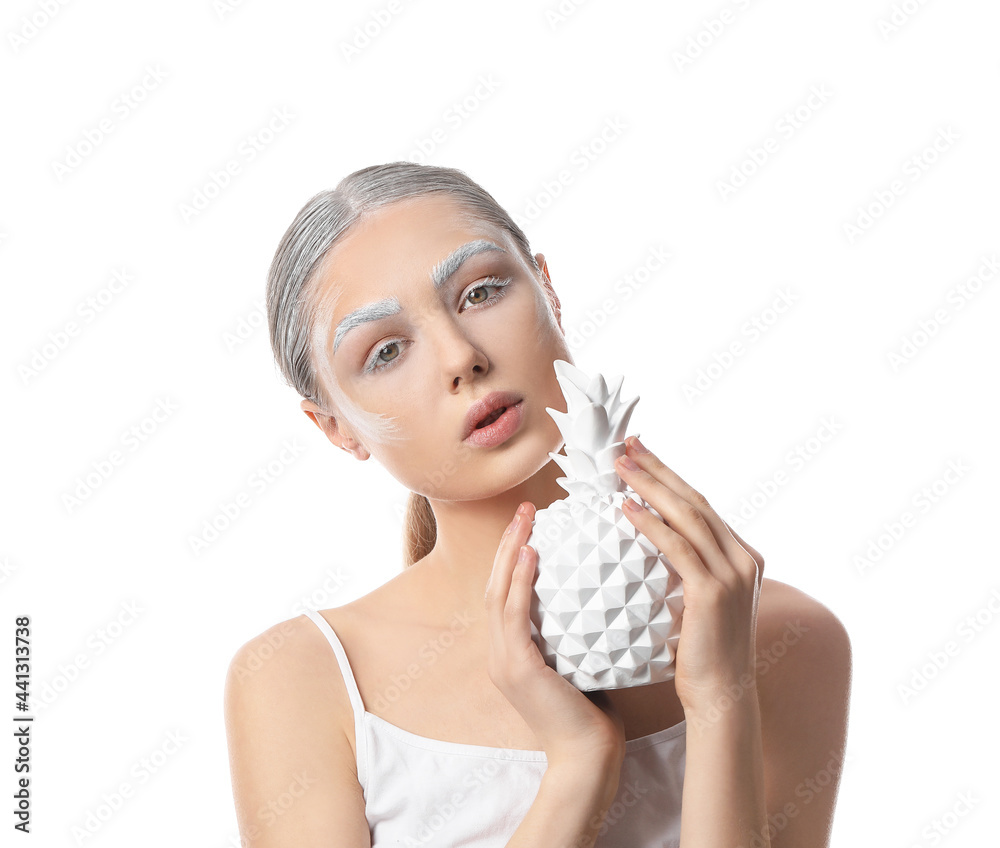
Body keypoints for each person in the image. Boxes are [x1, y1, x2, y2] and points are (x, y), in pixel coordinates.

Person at [223, 161, 852, 847]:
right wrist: (578, 770)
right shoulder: (303, 680)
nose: (461, 356)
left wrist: (720, 700)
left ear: (546, 287)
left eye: (481, 292)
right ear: (337, 428)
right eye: (386, 352)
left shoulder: (783, 638)